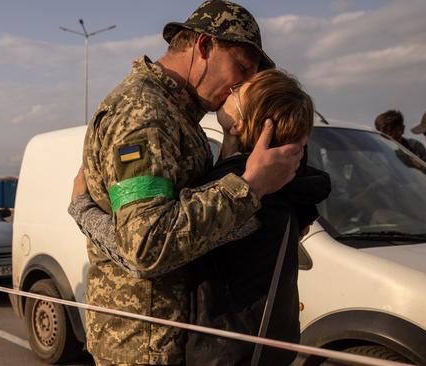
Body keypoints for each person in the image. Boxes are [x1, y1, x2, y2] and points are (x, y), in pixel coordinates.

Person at [79, 1, 305, 365]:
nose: (243, 85)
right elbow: (146, 246)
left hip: (173, 339)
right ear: (203, 46)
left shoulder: (179, 116)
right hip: (147, 347)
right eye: (242, 68)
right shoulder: (145, 113)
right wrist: (249, 187)